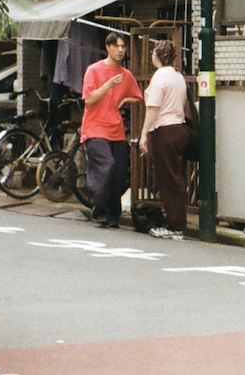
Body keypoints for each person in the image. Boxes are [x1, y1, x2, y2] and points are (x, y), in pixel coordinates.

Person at [80, 32, 143, 229]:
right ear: (108, 47)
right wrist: (107, 86)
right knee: (107, 164)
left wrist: (124, 100)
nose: (120, 50)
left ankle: (112, 215)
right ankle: (99, 212)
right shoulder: (94, 70)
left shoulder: (126, 75)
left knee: (118, 172)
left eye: (123, 47)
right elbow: (89, 99)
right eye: (116, 46)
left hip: (115, 129)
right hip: (94, 127)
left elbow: (139, 97)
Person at [139, 40, 190, 238]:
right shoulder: (178, 76)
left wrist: (144, 133)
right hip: (180, 128)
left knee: (168, 179)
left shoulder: (160, 76)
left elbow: (153, 107)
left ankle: (174, 224)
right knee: (176, 177)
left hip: (164, 130)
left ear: (156, 55)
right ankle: (176, 221)